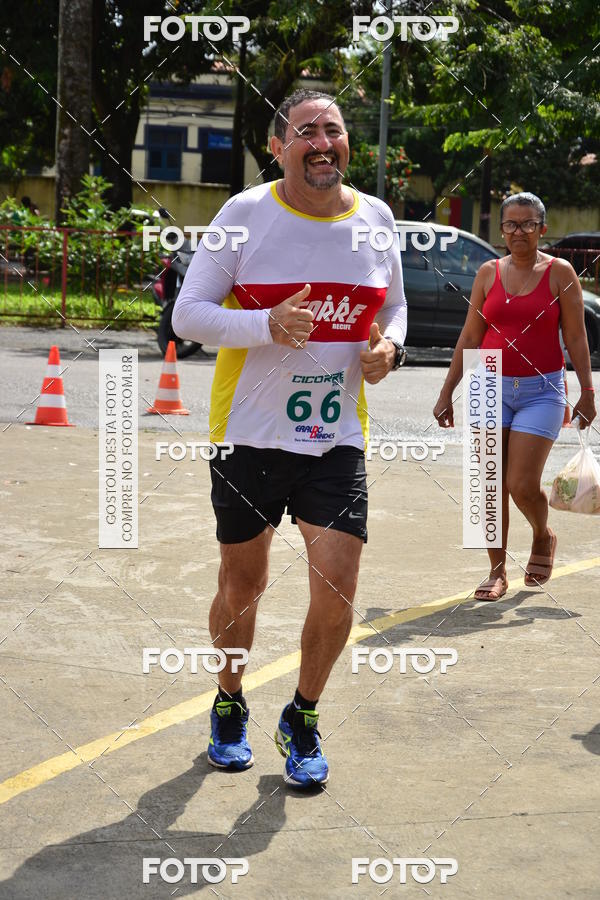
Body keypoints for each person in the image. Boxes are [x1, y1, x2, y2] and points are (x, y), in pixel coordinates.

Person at [172, 89, 408, 786]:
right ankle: (229, 700)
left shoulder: (377, 219)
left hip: (337, 435)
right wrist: (264, 324)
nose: (322, 142)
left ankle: (301, 717)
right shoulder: (245, 216)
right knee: (244, 585)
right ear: (279, 148)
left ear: (346, 145)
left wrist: (389, 350)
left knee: (337, 585)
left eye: (332, 130)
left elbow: (391, 308)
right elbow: (188, 315)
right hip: (248, 432)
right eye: (306, 132)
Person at [433, 192, 596, 600]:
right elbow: (471, 335)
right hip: (488, 384)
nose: (519, 231)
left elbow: (575, 336)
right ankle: (497, 569)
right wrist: (447, 390)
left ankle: (542, 534)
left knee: (521, 484)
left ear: (542, 228)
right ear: (501, 229)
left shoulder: (560, 273)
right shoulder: (488, 272)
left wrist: (587, 391)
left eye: (528, 224)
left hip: (542, 390)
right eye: (510, 224)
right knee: (488, 483)